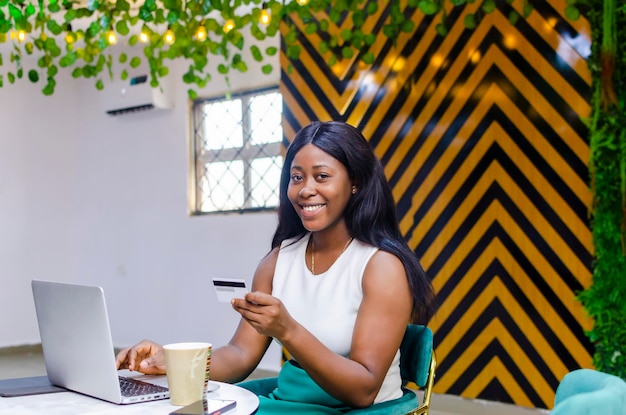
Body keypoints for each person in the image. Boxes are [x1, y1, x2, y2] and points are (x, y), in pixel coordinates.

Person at [116, 121, 436, 413]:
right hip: (292, 401)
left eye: (321, 176)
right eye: (297, 177)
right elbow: (241, 355)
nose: (305, 189)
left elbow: (364, 389)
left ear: (355, 182)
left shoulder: (381, 267)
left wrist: (288, 329)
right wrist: (174, 363)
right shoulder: (277, 261)